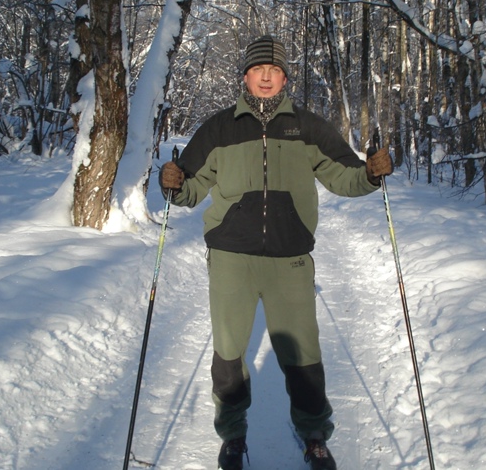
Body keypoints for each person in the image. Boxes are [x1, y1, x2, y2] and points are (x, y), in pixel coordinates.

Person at [159, 35, 393, 470]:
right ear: (245, 76)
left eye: (274, 70)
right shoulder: (220, 127)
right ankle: (232, 434)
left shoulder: (307, 127)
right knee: (229, 352)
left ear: (285, 77)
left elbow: (346, 176)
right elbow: (189, 188)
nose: (266, 77)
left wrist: (373, 174)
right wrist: (172, 183)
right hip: (232, 258)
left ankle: (314, 434)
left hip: (290, 258)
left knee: (303, 354)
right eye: (258, 69)